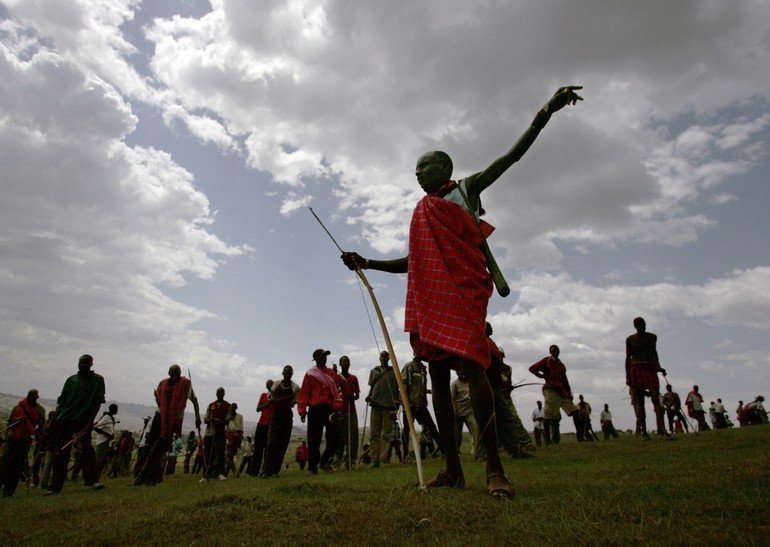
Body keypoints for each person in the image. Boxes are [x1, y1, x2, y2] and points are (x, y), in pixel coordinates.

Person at [341, 85, 581, 497]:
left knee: (473, 371)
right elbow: (415, 263)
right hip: (432, 303)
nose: (417, 173)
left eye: (425, 166)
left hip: (464, 296)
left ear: (444, 167)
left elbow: (513, 156)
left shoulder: (464, 191)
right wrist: (369, 263)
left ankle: (494, 468)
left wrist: (546, 110)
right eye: (415, 168)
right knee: (436, 380)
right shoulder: (421, 212)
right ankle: (452, 469)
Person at [47, 355, 106, 495]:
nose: (83, 365)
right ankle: (55, 486)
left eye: (86, 363)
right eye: (80, 363)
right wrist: (52, 421)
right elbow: (61, 403)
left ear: (91, 364)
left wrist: (90, 423)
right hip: (65, 419)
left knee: (87, 451)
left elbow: (97, 403)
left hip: (82, 421)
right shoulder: (71, 380)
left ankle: (93, 481)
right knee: (61, 452)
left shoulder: (98, 380)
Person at [135, 364, 202, 486]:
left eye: (178, 372)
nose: (175, 375)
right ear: (169, 372)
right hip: (159, 417)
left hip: (173, 421)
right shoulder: (162, 384)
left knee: (158, 449)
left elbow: (195, 401)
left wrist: (197, 417)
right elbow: (160, 401)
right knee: (151, 447)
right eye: (173, 372)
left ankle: (143, 476)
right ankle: (154, 479)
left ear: (180, 373)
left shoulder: (185, 384)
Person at [298, 349, 343, 474]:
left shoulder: (331, 373)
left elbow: (338, 392)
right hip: (314, 410)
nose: (324, 358)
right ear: (315, 358)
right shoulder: (310, 374)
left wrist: (337, 406)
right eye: (322, 356)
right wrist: (302, 410)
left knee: (334, 438)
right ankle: (312, 468)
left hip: (330, 409)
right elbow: (304, 393)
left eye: (325, 356)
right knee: (313, 440)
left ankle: (324, 462)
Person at [625, 317, 668, 439]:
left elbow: (654, 353)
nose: (641, 327)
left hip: (650, 369)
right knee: (640, 402)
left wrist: (659, 367)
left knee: (656, 399)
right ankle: (644, 432)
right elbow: (628, 358)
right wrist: (628, 377)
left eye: (643, 325)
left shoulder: (652, 337)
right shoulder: (630, 340)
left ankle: (663, 430)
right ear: (635, 326)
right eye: (639, 325)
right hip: (636, 370)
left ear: (645, 325)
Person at [529, 345, 579, 445]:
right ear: (550, 352)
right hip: (550, 389)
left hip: (562, 391)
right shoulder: (546, 360)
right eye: (553, 350)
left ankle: (581, 438)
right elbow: (532, 368)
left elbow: (565, 380)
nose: (555, 351)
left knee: (575, 412)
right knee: (548, 416)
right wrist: (542, 376)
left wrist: (568, 393)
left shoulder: (561, 365)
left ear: (559, 352)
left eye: (557, 350)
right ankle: (548, 441)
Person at [1, 389, 45, 497]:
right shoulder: (19, 406)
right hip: (12, 439)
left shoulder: (40, 410)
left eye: (32, 396)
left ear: (37, 397)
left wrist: (38, 435)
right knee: (4, 462)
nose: (30, 398)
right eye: (29, 396)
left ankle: (9, 492)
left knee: (17, 467)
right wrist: (18, 420)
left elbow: (41, 426)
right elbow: (10, 422)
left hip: (24, 441)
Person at [261, 366, 300, 477]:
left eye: (289, 373)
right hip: (276, 416)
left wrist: (293, 402)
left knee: (282, 445)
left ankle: (275, 471)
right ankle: (266, 471)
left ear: (292, 374)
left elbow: (296, 400)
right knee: (271, 443)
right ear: (283, 373)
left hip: (287, 417)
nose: (287, 375)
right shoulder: (275, 385)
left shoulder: (295, 387)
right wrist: (265, 405)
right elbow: (270, 398)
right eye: (286, 373)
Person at [401, 356, 442, 459]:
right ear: (414, 353)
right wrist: (406, 403)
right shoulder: (409, 366)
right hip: (410, 405)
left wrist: (426, 395)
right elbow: (403, 385)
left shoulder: (423, 368)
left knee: (432, 427)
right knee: (407, 430)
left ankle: (444, 451)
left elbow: (422, 386)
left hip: (421, 404)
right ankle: (405, 456)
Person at [367, 351, 400, 468]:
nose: (384, 358)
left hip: (389, 407)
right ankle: (374, 460)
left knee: (386, 434)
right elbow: (372, 387)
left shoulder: (394, 372)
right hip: (375, 406)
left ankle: (382, 459)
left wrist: (397, 408)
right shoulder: (374, 371)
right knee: (374, 434)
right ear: (379, 358)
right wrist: (369, 396)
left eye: (386, 356)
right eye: (382, 356)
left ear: (389, 358)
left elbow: (398, 390)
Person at [335, 356, 361, 470]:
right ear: (340, 364)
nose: (345, 363)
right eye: (343, 361)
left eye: (347, 361)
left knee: (352, 437)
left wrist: (353, 397)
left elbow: (357, 395)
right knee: (340, 437)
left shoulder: (354, 378)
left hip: (351, 411)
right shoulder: (336, 378)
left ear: (349, 364)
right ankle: (337, 462)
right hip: (340, 411)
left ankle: (350, 461)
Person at [202, 387, 233, 481]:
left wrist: (219, 421)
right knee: (208, 452)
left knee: (220, 452)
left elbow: (227, 421)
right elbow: (206, 419)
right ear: (216, 394)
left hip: (220, 432)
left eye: (221, 392)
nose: (219, 394)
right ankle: (207, 473)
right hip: (209, 432)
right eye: (218, 392)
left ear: (224, 394)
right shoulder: (211, 405)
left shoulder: (228, 405)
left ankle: (220, 473)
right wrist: (210, 420)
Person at [451, 371, 480, 458]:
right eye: (460, 372)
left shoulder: (470, 382)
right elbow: (452, 399)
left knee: (476, 431)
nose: (462, 374)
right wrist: (454, 412)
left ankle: (477, 452)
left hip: (469, 412)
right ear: (457, 373)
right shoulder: (455, 384)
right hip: (458, 413)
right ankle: (456, 453)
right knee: (457, 435)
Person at [248, 380, 274, 476]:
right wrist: (267, 404)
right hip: (261, 424)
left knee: (268, 449)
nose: (269, 385)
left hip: (271, 425)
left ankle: (266, 470)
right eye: (267, 384)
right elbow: (258, 409)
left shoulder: (276, 397)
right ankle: (254, 471)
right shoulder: (263, 395)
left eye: (271, 384)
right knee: (258, 449)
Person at [92, 403, 118, 481]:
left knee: (103, 461)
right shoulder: (106, 417)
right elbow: (95, 428)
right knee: (99, 461)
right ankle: (94, 478)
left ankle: (97, 478)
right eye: (116, 409)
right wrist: (107, 434)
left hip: (107, 442)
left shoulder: (111, 418)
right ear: (112, 409)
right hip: (102, 442)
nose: (117, 410)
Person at [225, 403, 244, 477]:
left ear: (236, 408)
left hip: (236, 437)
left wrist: (240, 441)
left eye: (234, 407)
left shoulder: (240, 416)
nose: (232, 409)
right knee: (229, 456)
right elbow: (226, 426)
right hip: (229, 437)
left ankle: (234, 473)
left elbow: (241, 428)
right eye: (231, 407)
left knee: (230, 456)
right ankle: (233, 473)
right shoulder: (227, 417)